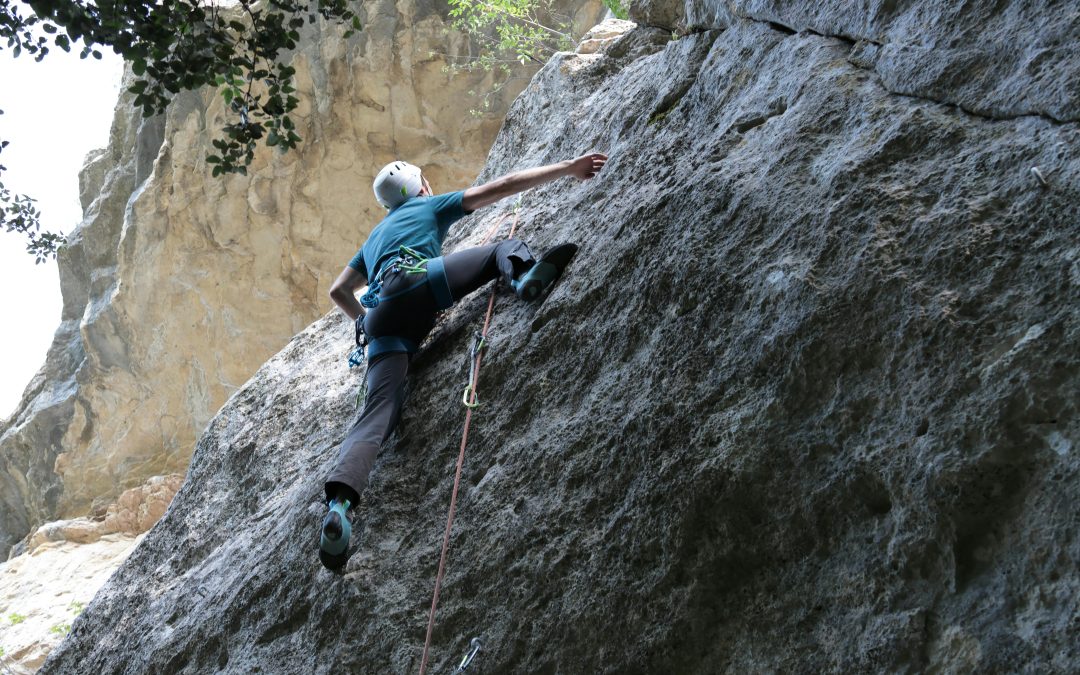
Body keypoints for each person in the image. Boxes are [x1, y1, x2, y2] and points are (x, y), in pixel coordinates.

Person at [319, 152, 608, 569]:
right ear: (421, 187)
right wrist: (568, 169)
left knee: (377, 413)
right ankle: (524, 276)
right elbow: (501, 187)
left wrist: (366, 320)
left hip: (382, 321)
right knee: (497, 254)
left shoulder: (373, 240)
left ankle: (341, 505)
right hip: (422, 280)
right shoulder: (426, 204)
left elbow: (338, 291)